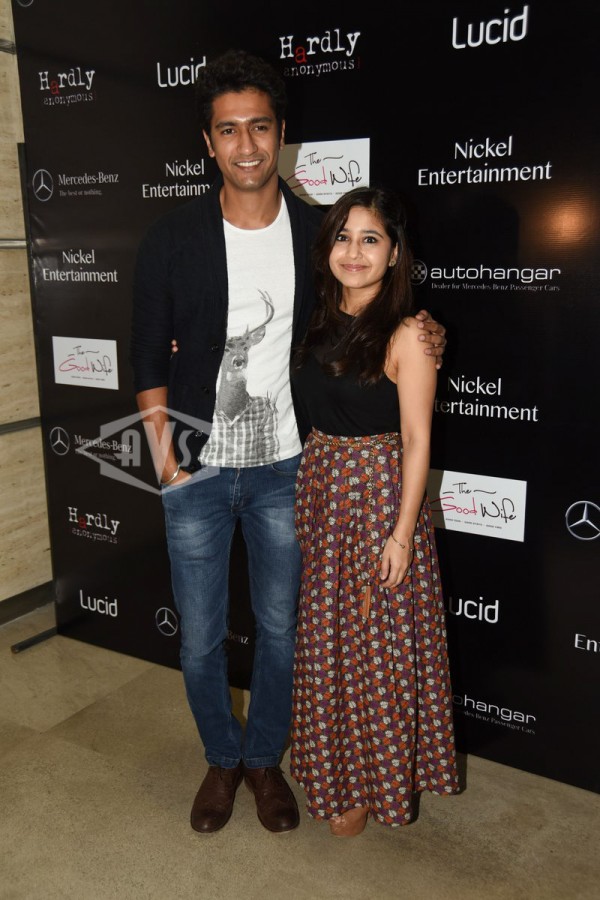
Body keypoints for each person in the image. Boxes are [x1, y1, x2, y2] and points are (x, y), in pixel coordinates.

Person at [130, 50, 447, 835]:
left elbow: (369, 300)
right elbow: (147, 358)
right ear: (208, 143)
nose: (246, 145)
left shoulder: (316, 232)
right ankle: (222, 758)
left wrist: (421, 329)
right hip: (196, 472)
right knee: (200, 641)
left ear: (280, 134)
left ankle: (266, 761)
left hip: (289, 473)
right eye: (228, 130)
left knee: (282, 632)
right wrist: (166, 461)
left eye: (260, 127)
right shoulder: (171, 238)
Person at [290, 186, 459, 836]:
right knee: (329, 643)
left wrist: (401, 535)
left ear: (393, 254)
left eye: (370, 239)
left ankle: (373, 780)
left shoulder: (409, 334)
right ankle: (338, 771)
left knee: (375, 646)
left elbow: (417, 439)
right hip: (322, 493)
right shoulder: (314, 319)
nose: (354, 252)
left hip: (378, 500)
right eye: (342, 237)